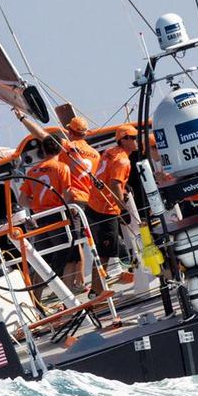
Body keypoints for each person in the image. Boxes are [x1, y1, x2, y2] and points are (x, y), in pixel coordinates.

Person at [13, 107, 100, 291]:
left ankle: (74, 283)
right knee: (77, 242)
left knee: (70, 247)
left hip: (68, 203)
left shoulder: (66, 149)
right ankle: (79, 281)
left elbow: (41, 134)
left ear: (70, 132)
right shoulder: (96, 154)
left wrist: (22, 118)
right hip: (86, 200)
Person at [18, 137, 73, 302]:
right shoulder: (62, 168)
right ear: (60, 149)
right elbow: (68, 194)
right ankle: (67, 299)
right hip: (58, 216)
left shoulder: (32, 171)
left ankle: (36, 302)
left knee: (43, 261)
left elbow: (22, 200)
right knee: (69, 256)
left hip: (40, 219)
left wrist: (36, 204)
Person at [86, 124, 138, 296]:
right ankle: (96, 291)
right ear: (122, 140)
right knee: (105, 252)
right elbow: (114, 183)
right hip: (105, 208)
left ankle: (101, 285)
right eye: (132, 137)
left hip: (93, 203)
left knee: (106, 248)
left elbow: (109, 176)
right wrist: (122, 207)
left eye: (136, 137)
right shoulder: (123, 160)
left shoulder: (110, 151)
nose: (135, 140)